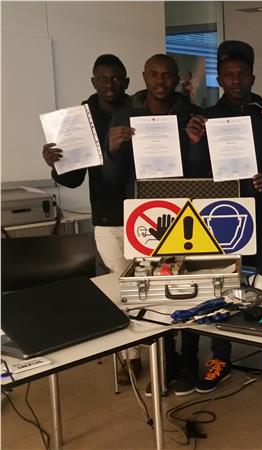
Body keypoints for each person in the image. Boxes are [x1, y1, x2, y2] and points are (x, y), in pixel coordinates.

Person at [186, 49, 262, 394]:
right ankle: (221, 358)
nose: (235, 80)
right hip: (224, 218)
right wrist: (196, 143)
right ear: (219, 79)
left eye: (242, 74)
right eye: (228, 74)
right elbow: (197, 171)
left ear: (252, 78)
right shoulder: (207, 118)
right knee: (223, 289)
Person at [104, 53, 207, 396]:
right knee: (154, 290)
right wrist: (113, 151)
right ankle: (166, 360)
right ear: (144, 76)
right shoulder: (125, 115)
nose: (161, 81)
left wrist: (196, 146)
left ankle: (189, 361)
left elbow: (202, 171)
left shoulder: (192, 113)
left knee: (189, 287)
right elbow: (114, 178)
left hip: (185, 211)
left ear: (176, 79)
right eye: (154, 75)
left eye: (167, 75)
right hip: (145, 214)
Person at [41, 54, 138, 383]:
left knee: (147, 285)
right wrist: (55, 164)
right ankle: (130, 355)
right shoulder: (78, 122)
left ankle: (158, 349)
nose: (110, 84)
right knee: (119, 284)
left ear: (126, 81)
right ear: (93, 81)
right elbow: (72, 180)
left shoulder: (138, 110)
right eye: (103, 78)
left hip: (145, 211)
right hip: (107, 216)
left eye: (116, 78)